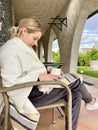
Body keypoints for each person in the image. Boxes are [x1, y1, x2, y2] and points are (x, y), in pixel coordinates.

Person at [0, 18, 98, 130]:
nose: (36, 43)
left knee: (76, 94)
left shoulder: (21, 47)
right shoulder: (10, 50)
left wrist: (47, 70)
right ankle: (91, 102)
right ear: (24, 31)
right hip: (27, 96)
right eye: (35, 38)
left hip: (35, 89)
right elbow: (10, 84)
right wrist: (38, 77)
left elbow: (30, 69)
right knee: (75, 81)